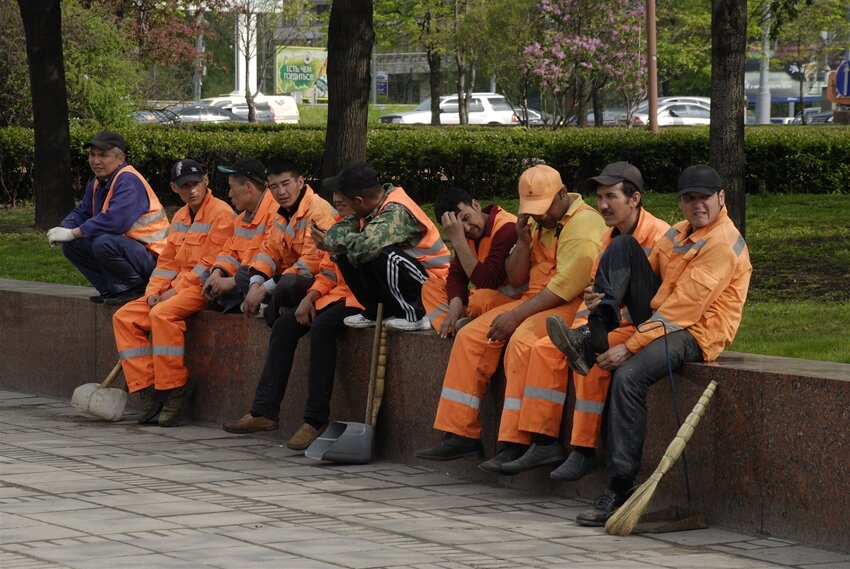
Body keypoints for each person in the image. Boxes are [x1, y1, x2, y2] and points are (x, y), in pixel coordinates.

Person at [547, 164, 752, 526]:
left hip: (695, 333)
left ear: (721, 198)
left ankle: (620, 486)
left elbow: (680, 314)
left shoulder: (722, 245)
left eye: (703, 198)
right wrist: (603, 296)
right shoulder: (679, 232)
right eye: (689, 199)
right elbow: (645, 273)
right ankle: (593, 333)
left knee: (628, 377)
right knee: (622, 244)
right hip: (662, 321)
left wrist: (629, 347)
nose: (696, 205)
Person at [415, 164, 607, 470]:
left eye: (543, 209)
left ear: (562, 194)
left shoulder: (583, 225)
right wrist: (524, 241)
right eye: (532, 210)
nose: (539, 216)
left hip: (570, 303)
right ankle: (461, 434)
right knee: (470, 336)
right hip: (537, 299)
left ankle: (521, 441)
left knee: (520, 340)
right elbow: (516, 274)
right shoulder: (534, 223)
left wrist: (515, 316)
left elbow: (564, 288)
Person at [499, 162, 670, 478]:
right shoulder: (608, 238)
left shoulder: (661, 236)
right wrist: (590, 308)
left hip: (644, 325)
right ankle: (542, 440)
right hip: (610, 321)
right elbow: (595, 291)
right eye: (600, 197)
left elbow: (668, 299)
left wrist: (608, 319)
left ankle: (584, 449)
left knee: (593, 355)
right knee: (545, 349)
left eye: (611, 197)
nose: (603, 205)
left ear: (635, 199)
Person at [222, 193, 365, 450]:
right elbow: (328, 270)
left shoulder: (368, 222)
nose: (337, 200)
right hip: (331, 294)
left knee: (320, 327)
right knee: (284, 326)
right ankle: (264, 411)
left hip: (361, 297)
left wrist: (301, 292)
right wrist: (311, 297)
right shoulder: (341, 222)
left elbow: (316, 265)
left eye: (344, 195)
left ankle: (315, 419)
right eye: (335, 195)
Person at [112, 159, 235, 427]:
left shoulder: (222, 213)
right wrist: (154, 292)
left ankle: (175, 388)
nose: (191, 190)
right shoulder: (180, 216)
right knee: (124, 317)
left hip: (202, 289)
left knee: (162, 315)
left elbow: (209, 265)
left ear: (206, 181)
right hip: (172, 290)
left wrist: (168, 295)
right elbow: (167, 262)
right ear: (174, 188)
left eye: (195, 184)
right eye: (184, 186)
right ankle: (150, 387)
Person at [321, 162, 451, 331]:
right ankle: (377, 311)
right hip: (410, 279)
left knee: (382, 253)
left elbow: (366, 246)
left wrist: (343, 241)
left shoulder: (396, 210)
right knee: (344, 253)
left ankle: (415, 314)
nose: (337, 201)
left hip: (432, 286)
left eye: (344, 200)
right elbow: (331, 240)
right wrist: (343, 242)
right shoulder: (369, 207)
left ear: (359, 201)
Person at [47, 131, 169, 305]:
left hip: (155, 259)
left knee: (103, 242)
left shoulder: (129, 181)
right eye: (92, 155)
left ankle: (135, 289)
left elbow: (113, 222)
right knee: (72, 245)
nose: (96, 161)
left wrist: (72, 233)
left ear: (120, 159)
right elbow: (82, 211)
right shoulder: (99, 181)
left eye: (103, 155)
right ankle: (111, 290)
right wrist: (64, 230)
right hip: (132, 251)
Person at [241, 158, 337, 327]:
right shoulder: (282, 213)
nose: (281, 192)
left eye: (286, 184)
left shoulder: (317, 209)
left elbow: (311, 265)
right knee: (243, 274)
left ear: (300, 182)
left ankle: (270, 309)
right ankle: (266, 304)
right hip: (287, 275)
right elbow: (268, 252)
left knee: (287, 283)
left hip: (314, 280)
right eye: (274, 187)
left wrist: (264, 289)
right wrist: (255, 285)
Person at [421, 188, 520, 338]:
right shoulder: (465, 235)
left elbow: (488, 281)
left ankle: (466, 327)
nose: (467, 228)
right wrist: (455, 305)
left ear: (476, 205)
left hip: (514, 305)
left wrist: (458, 240)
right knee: (431, 287)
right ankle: (451, 327)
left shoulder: (507, 228)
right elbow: (456, 276)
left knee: (479, 300)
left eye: (466, 218)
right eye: (459, 227)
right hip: (485, 303)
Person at [202, 158, 277, 312]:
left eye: (231, 187)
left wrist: (232, 281)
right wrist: (218, 272)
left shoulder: (276, 212)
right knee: (206, 276)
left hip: (265, 277)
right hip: (246, 276)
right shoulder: (241, 218)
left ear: (248, 187)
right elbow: (230, 252)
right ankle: (242, 305)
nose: (229, 194)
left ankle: (249, 306)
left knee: (244, 276)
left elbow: (267, 259)